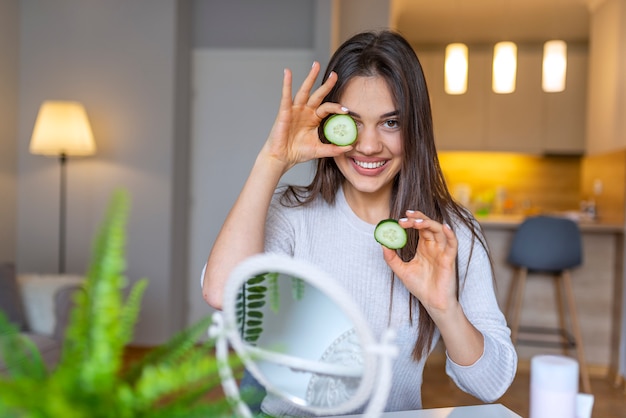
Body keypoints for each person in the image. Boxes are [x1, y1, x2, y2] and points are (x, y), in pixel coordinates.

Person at [202, 30, 517, 416]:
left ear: (415, 127)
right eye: (351, 122)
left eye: (390, 123)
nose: (368, 146)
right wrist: (272, 159)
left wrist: (443, 307)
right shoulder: (292, 215)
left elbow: (491, 385)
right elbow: (221, 292)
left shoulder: (449, 233)